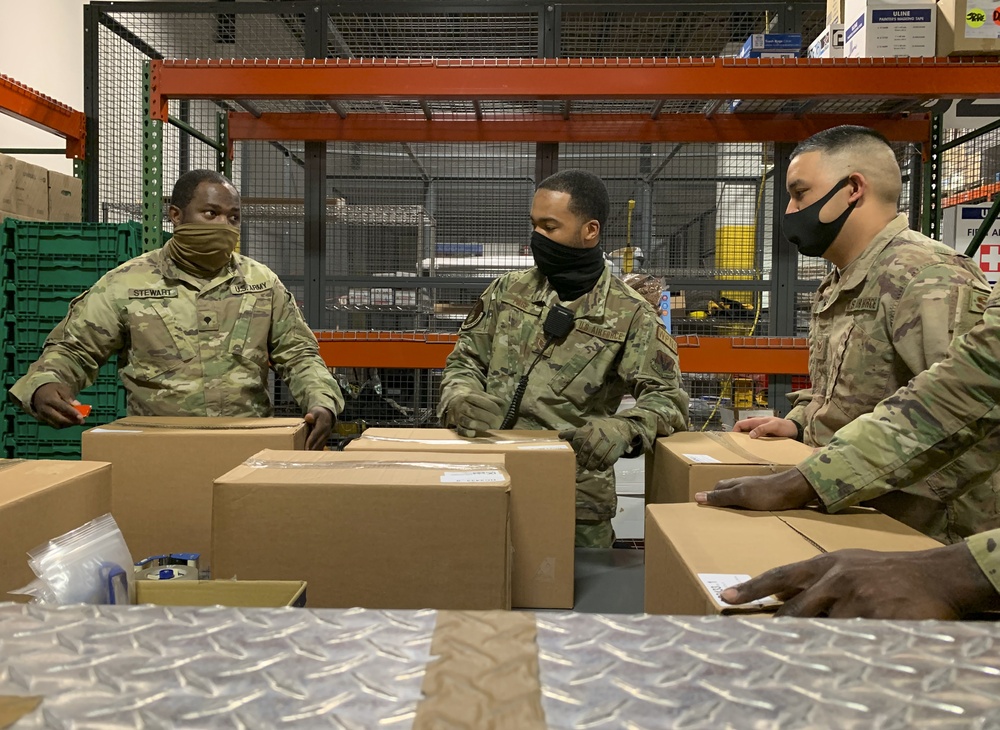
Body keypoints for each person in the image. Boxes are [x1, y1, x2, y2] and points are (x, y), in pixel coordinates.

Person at [707, 125, 995, 543]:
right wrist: (802, 423)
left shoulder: (927, 277)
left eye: (800, 193)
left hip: (924, 535)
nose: (790, 210)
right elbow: (847, 395)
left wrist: (821, 482)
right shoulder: (843, 282)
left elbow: (969, 415)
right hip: (855, 510)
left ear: (853, 189)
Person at [438, 169, 689, 548]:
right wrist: (459, 398)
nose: (537, 237)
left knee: (573, 601)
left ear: (590, 231)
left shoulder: (630, 314)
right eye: (534, 225)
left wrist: (624, 428)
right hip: (486, 478)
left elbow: (667, 399)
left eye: (550, 226)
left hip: (575, 501)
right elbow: (466, 360)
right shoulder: (507, 291)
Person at [8, 169, 343, 450]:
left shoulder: (261, 283)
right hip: (158, 449)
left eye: (234, 217)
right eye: (211, 214)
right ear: (176, 215)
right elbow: (74, 349)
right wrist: (44, 384)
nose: (224, 225)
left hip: (246, 447)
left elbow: (299, 354)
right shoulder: (127, 284)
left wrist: (321, 400)